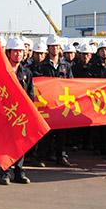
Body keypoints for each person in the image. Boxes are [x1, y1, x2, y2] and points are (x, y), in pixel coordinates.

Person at [0, 37, 35, 185]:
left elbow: (30, 94)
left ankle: (19, 171)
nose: (18, 54)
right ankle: (5, 172)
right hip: (5, 113)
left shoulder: (26, 72)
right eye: (15, 51)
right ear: (8, 53)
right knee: (5, 143)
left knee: (20, 143)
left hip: (20, 114)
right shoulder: (1, 71)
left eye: (20, 51)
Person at [32, 35, 73, 167]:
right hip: (46, 104)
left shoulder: (66, 66)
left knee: (62, 132)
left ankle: (61, 156)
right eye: (52, 46)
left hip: (61, 103)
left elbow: (71, 83)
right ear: (48, 48)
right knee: (46, 132)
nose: (54, 49)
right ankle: (41, 157)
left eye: (56, 46)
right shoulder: (41, 66)